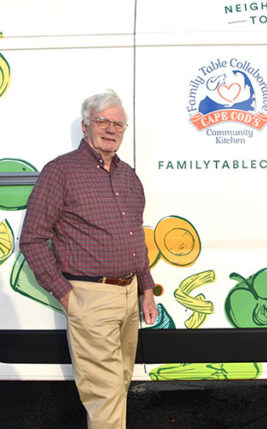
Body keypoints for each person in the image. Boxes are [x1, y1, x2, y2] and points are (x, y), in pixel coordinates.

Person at [20, 90, 158, 429]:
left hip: (128, 296)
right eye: (102, 121)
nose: (111, 129)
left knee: (120, 383)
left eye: (118, 124)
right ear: (85, 126)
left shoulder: (128, 176)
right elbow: (33, 239)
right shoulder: (61, 171)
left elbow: (134, 236)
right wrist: (66, 295)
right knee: (105, 394)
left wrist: (146, 288)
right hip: (90, 298)